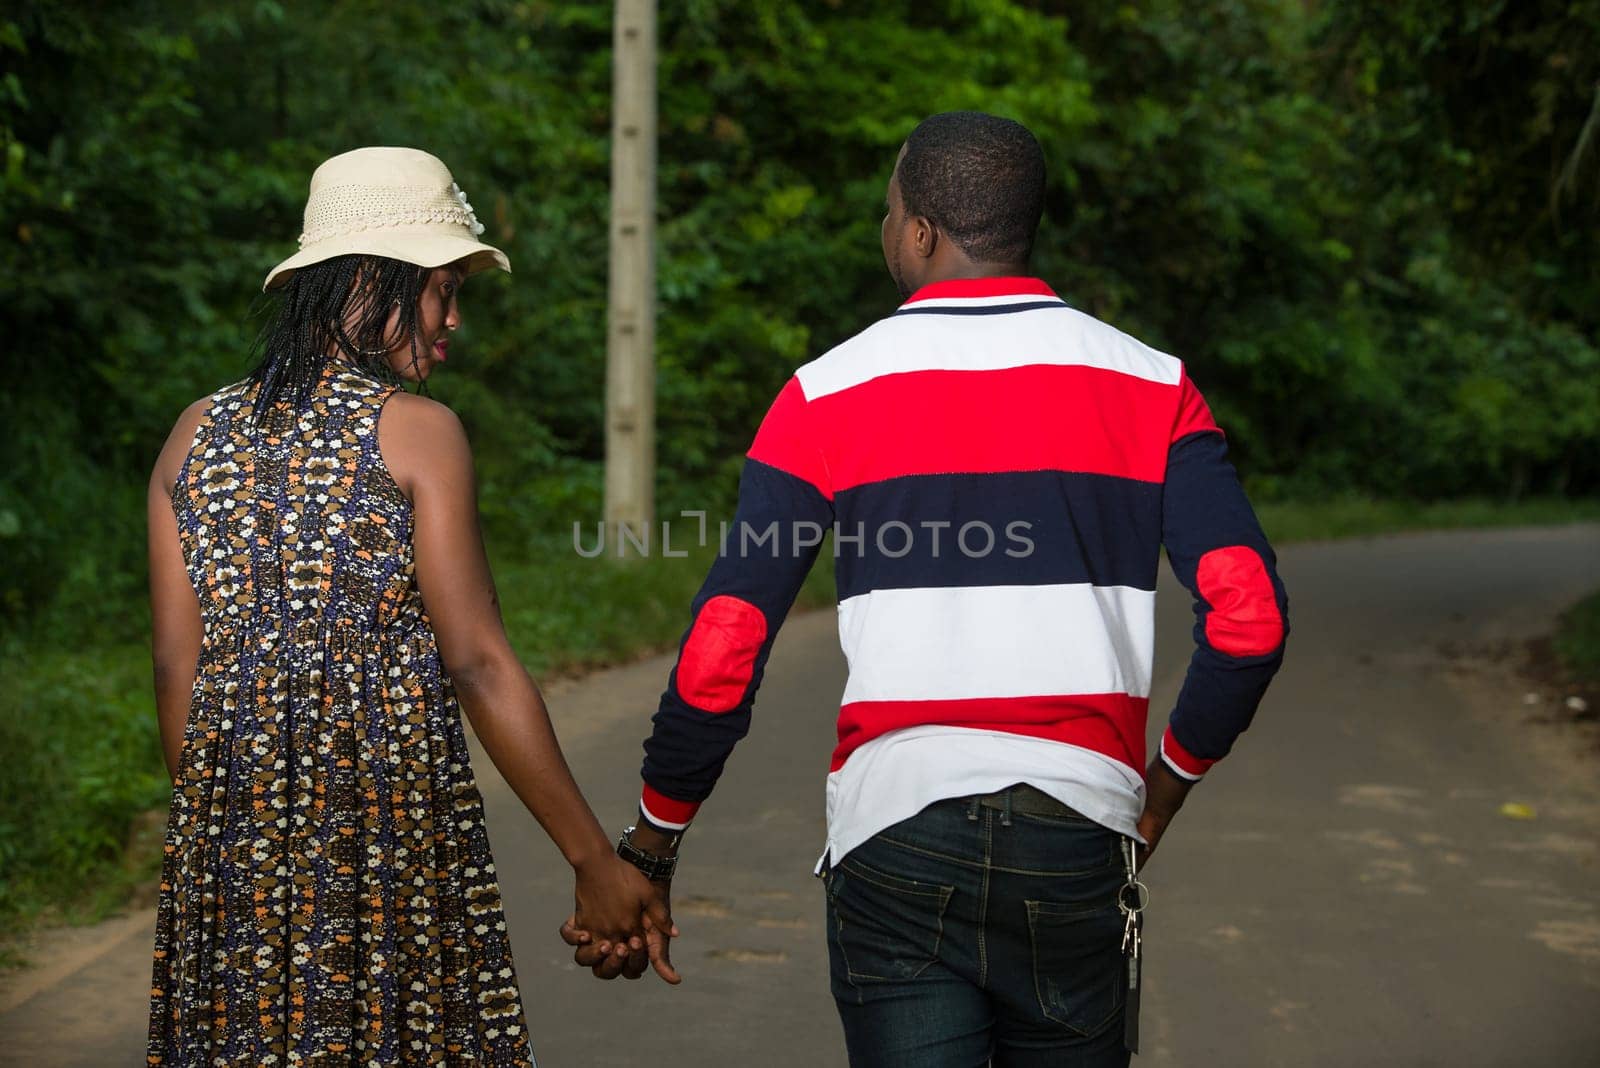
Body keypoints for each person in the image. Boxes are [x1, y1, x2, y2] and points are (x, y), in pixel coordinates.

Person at [565, 112, 1289, 1065]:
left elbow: (725, 644)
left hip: (896, 828)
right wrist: (1162, 790)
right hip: (1077, 830)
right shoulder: (1155, 386)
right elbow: (1249, 619)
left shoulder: (826, 392)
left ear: (919, 231)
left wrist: (653, 841)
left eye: (887, 212)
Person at [146, 146, 673, 1067]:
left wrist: (229, 833)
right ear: (366, 284)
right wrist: (594, 858)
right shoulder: (417, 431)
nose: (453, 319)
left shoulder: (193, 433)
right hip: (386, 835)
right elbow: (476, 660)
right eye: (439, 290)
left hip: (226, 847)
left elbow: (175, 667)